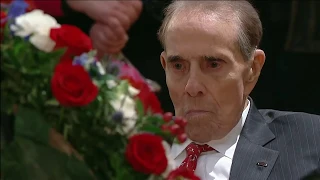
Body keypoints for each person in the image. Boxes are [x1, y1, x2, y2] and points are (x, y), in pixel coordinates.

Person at [157, 1, 320, 180]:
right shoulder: (126, 142)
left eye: (213, 65)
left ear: (253, 69)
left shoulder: (310, 142)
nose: (192, 87)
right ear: (164, 66)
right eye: (178, 66)